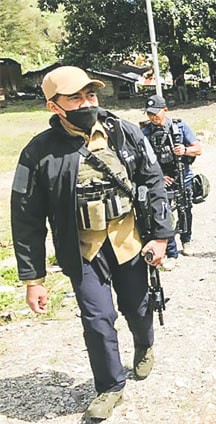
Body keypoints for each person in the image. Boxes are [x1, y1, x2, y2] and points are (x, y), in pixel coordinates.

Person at [11, 66, 174, 420]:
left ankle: (144, 346)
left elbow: (154, 182)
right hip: (82, 249)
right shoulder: (37, 153)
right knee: (97, 319)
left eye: (91, 95)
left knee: (137, 305)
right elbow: (26, 218)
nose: (87, 103)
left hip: (128, 239)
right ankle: (110, 386)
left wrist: (161, 236)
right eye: (76, 98)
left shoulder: (125, 134)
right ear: (54, 106)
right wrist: (32, 279)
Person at [141, 95, 203, 268]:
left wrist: (184, 150)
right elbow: (142, 161)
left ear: (165, 110)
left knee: (186, 210)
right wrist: (159, 176)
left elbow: (198, 149)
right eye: (149, 114)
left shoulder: (180, 127)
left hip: (183, 176)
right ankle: (171, 251)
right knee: (163, 214)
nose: (153, 117)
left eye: (156, 113)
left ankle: (186, 240)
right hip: (160, 180)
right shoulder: (145, 133)